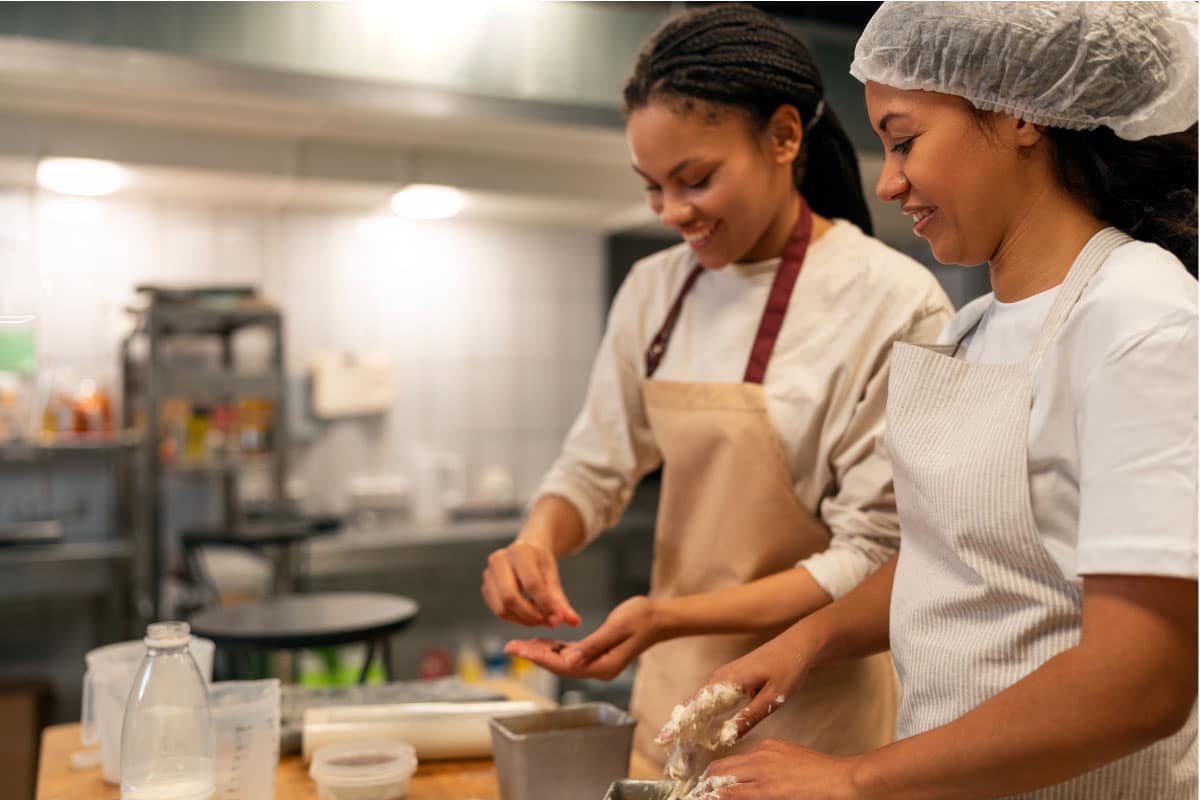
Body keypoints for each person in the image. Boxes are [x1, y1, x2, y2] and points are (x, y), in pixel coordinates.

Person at [672, 2, 1199, 797]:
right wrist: (806, 642)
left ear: (1020, 113)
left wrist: (853, 779)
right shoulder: (970, 331)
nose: (887, 182)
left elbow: (1143, 681)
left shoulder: (1140, 322)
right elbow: (955, 558)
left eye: (905, 138)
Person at [479, 3, 953, 769]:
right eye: (652, 188)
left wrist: (669, 616)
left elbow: (870, 555)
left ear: (784, 137)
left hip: (816, 722)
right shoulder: (653, 290)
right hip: (671, 706)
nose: (672, 213)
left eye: (694, 179)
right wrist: (537, 539)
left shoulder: (892, 302)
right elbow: (595, 465)